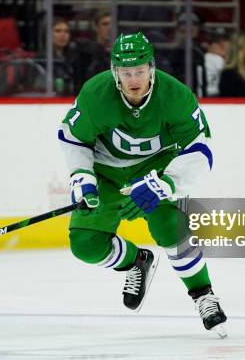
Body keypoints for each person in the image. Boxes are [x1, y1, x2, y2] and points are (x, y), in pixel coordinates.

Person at [58, 32, 227, 337]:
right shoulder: (95, 94)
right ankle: (136, 261)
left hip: (156, 169)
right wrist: (82, 177)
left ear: (151, 67)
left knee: (169, 227)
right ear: (115, 72)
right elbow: (73, 138)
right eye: (126, 72)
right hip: (106, 172)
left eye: (139, 71)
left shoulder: (176, 96)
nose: (133, 79)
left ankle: (204, 296)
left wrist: (168, 182)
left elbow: (201, 148)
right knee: (85, 245)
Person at [203, 30, 229, 97]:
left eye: (225, 41)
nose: (223, 45)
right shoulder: (216, 58)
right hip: (214, 95)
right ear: (209, 45)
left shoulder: (203, 57)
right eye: (217, 42)